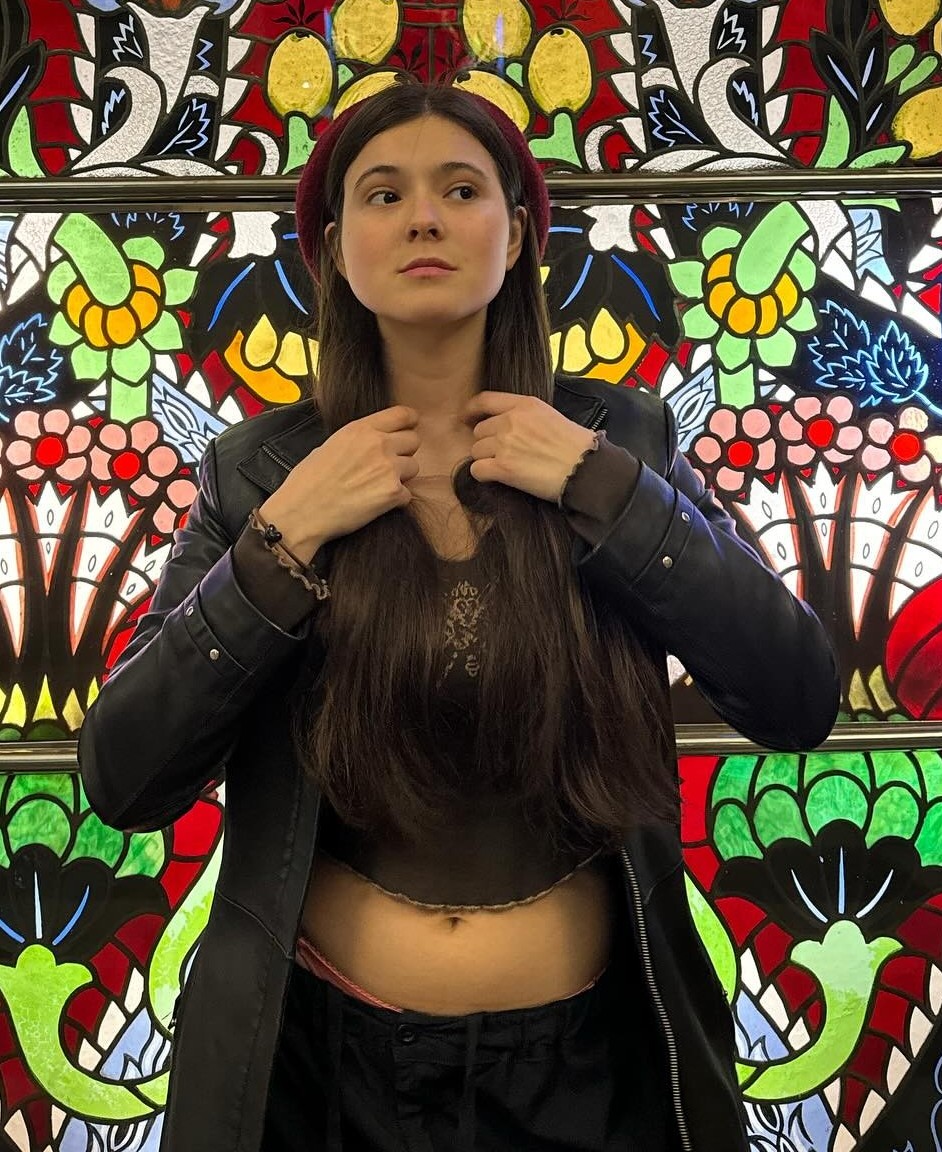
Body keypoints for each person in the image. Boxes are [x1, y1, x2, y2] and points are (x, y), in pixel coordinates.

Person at [78, 77, 840, 1152]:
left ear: (518, 234)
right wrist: (281, 543)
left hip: (589, 1078)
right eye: (384, 195)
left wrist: (607, 491)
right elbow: (124, 779)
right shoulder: (255, 476)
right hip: (319, 1076)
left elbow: (797, 697)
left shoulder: (624, 444)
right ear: (333, 250)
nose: (424, 218)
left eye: (461, 189)